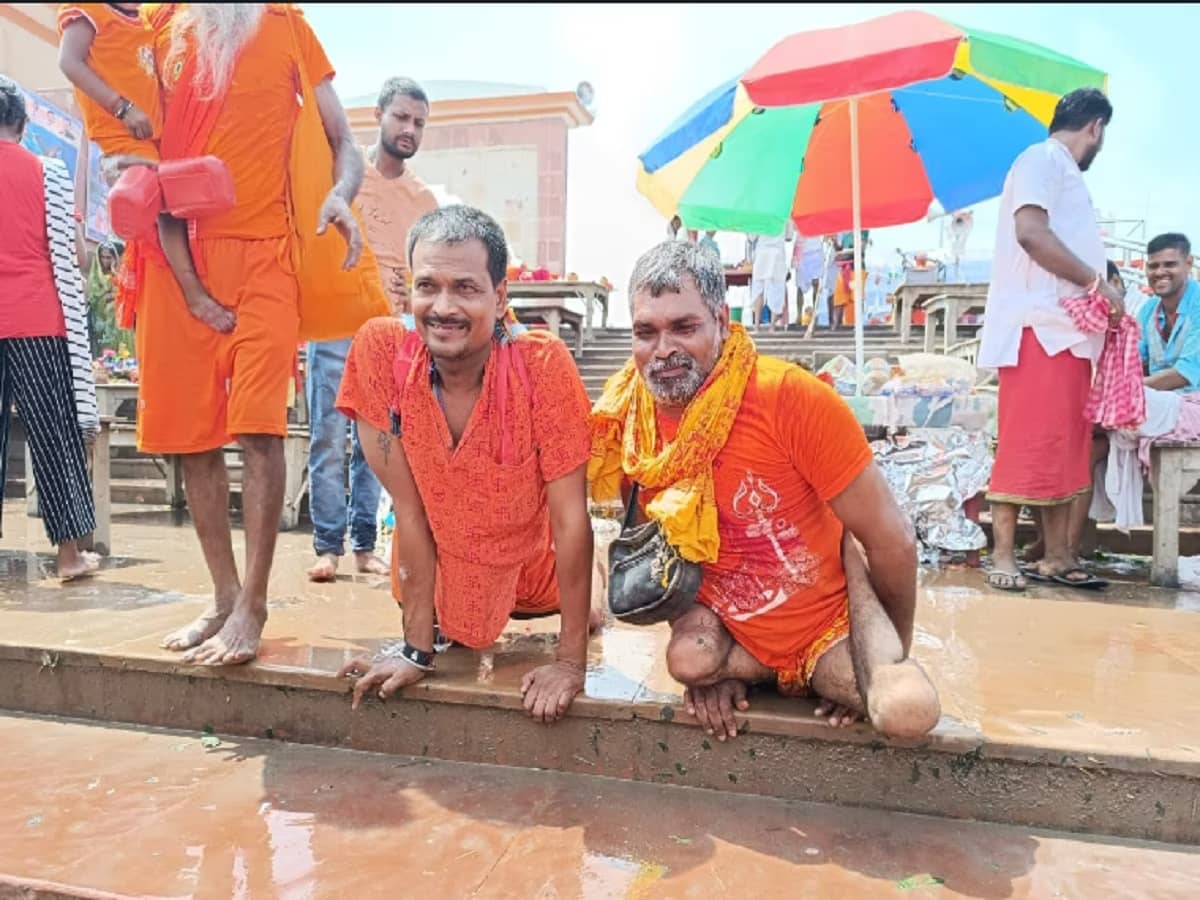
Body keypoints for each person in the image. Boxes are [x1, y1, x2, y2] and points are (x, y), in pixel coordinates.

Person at [589, 240, 940, 740]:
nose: (663, 349)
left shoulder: (789, 397)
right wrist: (712, 667)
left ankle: (846, 649)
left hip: (830, 626)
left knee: (906, 710)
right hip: (736, 638)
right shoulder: (627, 421)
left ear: (720, 321)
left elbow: (894, 540)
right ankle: (741, 673)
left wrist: (881, 656)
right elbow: (663, 559)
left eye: (683, 327)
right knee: (688, 662)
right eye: (647, 332)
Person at [143, 4, 365, 666]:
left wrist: (340, 195)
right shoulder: (163, 29)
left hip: (267, 256)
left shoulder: (288, 26)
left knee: (260, 429)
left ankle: (254, 605)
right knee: (191, 436)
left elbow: (344, 142)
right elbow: (141, 149)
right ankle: (222, 595)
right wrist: (189, 286)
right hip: (177, 254)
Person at [336, 206, 596, 725]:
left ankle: (598, 585)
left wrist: (569, 663)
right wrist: (415, 649)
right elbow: (407, 510)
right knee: (452, 626)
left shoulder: (541, 366)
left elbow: (571, 522)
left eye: (466, 288)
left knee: (589, 614)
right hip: (438, 568)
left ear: (500, 298)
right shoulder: (382, 352)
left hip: (533, 568)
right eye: (427, 286)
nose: (443, 307)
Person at [976, 88, 1121, 593]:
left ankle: (1058, 557)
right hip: (1038, 327)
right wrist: (1094, 282)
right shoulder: (1041, 159)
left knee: (1063, 449)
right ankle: (1003, 555)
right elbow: (1030, 233)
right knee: (1026, 445)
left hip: (1068, 334)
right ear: (1096, 127)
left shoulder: (1058, 168)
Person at [305, 76, 438, 584]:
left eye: (419, 123)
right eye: (401, 117)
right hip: (337, 321)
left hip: (392, 331)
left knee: (376, 440)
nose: (409, 129)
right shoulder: (346, 173)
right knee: (327, 435)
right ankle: (327, 547)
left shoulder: (424, 199)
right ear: (379, 115)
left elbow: (427, 265)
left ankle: (363, 544)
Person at [57, 2, 234, 335]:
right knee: (167, 204)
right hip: (121, 131)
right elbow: (69, 62)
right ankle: (194, 294)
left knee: (172, 199)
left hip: (150, 135)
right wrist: (121, 108)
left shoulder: (143, 18)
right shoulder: (88, 10)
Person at [0, 76, 99, 582]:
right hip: (38, 319)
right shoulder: (48, 172)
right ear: (22, 122)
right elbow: (76, 259)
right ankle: (68, 556)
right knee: (54, 436)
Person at [85, 241, 133, 356]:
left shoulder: (121, 275)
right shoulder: (95, 278)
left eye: (109, 257)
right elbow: (93, 298)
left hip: (120, 325)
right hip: (101, 325)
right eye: (102, 257)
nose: (105, 261)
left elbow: (127, 294)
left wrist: (115, 274)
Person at [749, 228, 788, 332]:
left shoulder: (760, 211)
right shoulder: (785, 212)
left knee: (758, 288)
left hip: (762, 250)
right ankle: (772, 326)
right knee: (776, 289)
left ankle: (756, 325)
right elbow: (789, 236)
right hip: (777, 252)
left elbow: (752, 237)